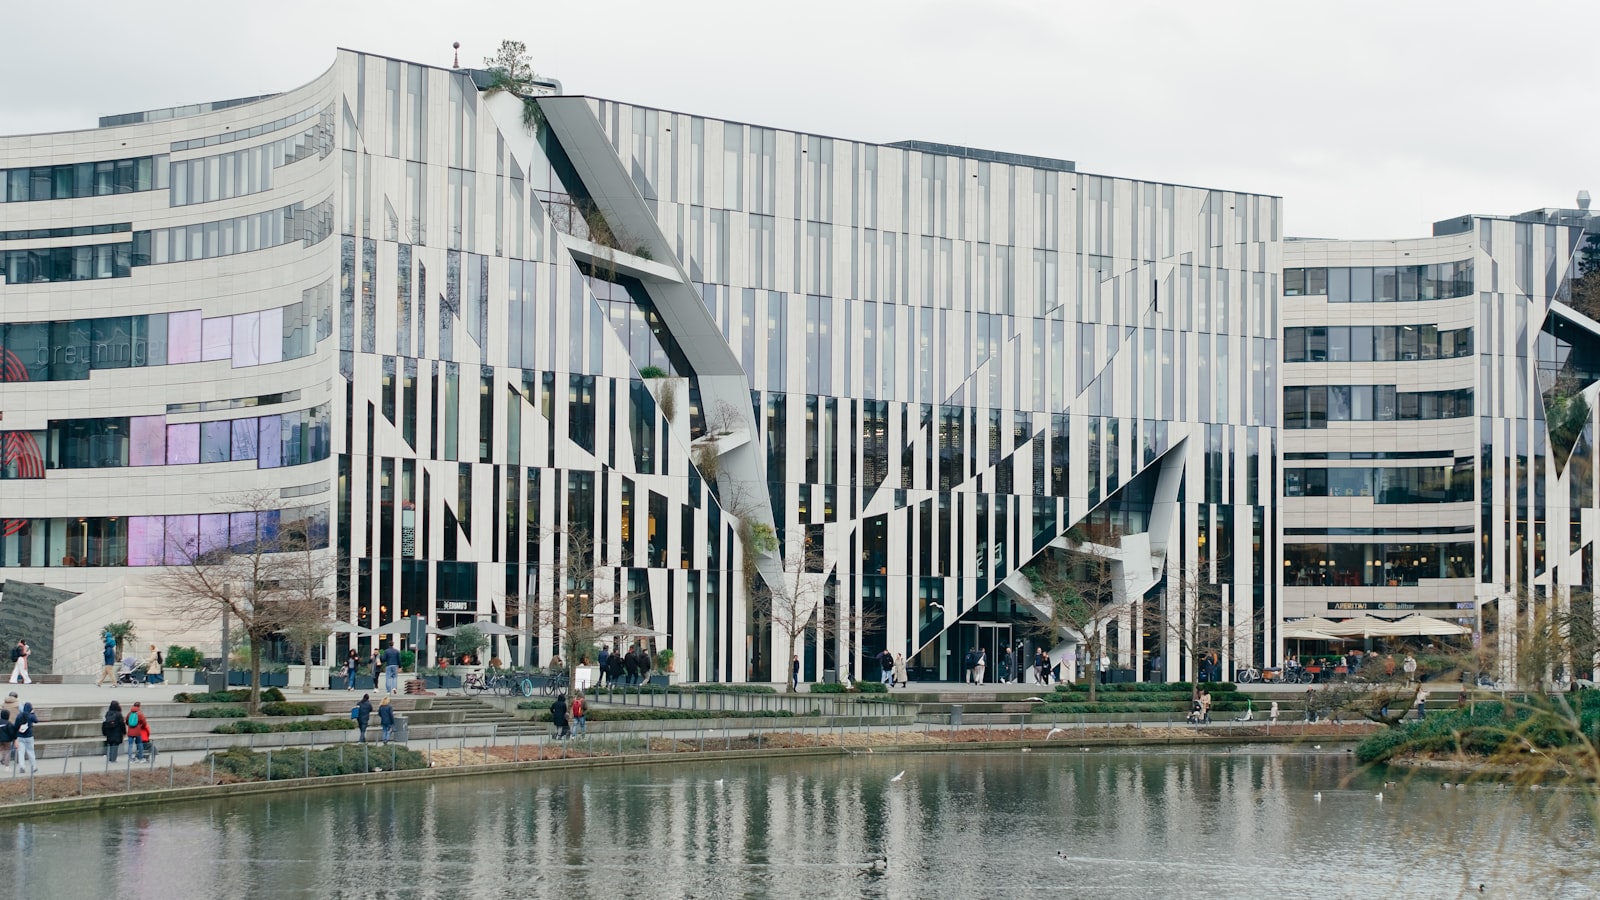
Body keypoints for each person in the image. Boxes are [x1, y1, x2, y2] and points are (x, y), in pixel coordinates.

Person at [13, 701, 38, 772]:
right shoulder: (31, 716)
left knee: (21, 752)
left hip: (20, 736)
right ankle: (34, 767)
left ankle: (22, 767)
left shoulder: (19, 716)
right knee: (31, 751)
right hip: (29, 736)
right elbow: (36, 720)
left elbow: (15, 726)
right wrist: (33, 712)